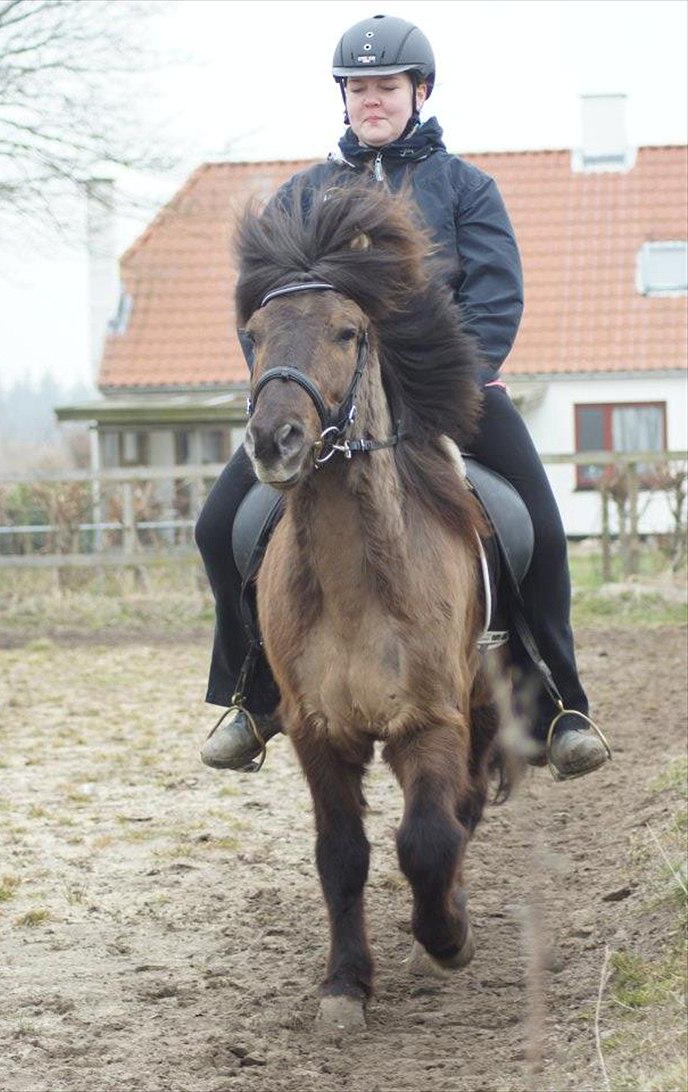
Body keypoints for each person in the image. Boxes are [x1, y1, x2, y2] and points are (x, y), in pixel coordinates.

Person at [196, 14, 610, 780]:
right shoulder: (303, 196)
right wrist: (296, 390)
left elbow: (496, 301)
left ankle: (560, 704)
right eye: (358, 89)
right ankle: (252, 696)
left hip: (450, 400)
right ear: (343, 98)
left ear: (418, 92)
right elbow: (262, 311)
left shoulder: (466, 189)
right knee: (219, 524)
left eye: (386, 87)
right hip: (325, 409)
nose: (371, 102)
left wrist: (435, 389)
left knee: (541, 534)